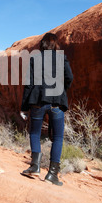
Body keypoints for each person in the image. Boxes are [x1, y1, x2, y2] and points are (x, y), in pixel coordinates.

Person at [20, 33, 74, 186]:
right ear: (55, 44)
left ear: (42, 44)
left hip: (37, 101)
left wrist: (24, 107)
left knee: (35, 133)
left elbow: (28, 84)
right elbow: (69, 77)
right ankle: (52, 175)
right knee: (57, 137)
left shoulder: (35, 58)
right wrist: (62, 90)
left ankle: (35, 166)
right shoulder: (61, 58)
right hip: (56, 102)